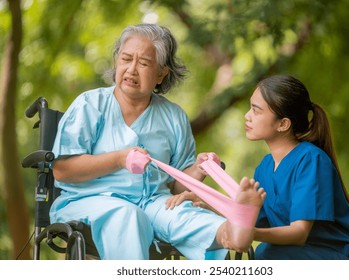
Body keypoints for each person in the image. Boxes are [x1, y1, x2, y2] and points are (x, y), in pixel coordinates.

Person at [49, 23, 265, 260]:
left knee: (184, 213)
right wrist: (119, 159)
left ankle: (233, 233)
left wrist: (198, 170)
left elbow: (175, 188)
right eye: (126, 59)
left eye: (143, 63)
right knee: (128, 215)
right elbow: (62, 170)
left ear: (162, 73)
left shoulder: (174, 117)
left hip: (154, 201)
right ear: (117, 61)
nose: (131, 69)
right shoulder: (90, 105)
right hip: (89, 201)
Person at [244, 74, 349, 259]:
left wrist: (249, 234)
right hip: (299, 256)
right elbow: (248, 217)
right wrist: (207, 203)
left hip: (338, 258)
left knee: (265, 254)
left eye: (255, 111)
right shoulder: (264, 168)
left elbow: (299, 233)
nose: (247, 116)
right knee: (264, 253)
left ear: (283, 124)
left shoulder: (311, 160)